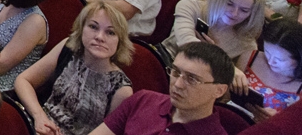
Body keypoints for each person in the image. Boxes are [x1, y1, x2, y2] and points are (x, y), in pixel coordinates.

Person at [15, 1, 135, 135]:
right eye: (93, 27)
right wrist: (39, 116)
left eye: (110, 32)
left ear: (120, 41)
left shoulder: (121, 89)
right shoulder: (68, 49)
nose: (100, 37)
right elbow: (23, 80)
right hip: (39, 126)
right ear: (82, 28)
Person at [88, 42, 234, 135]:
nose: (178, 84)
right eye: (176, 72)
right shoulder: (143, 100)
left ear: (219, 90)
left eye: (192, 79)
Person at [162, 0, 265, 91]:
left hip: (195, 87)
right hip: (164, 64)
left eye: (244, 10)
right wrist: (225, 64)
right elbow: (186, 42)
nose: (234, 13)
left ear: (252, 14)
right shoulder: (190, 7)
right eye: (229, 4)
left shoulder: (247, 44)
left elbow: (230, 86)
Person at [241, 19, 302, 120]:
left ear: (300, 58)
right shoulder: (250, 57)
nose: (270, 61)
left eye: (280, 59)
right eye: (267, 52)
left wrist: (279, 121)